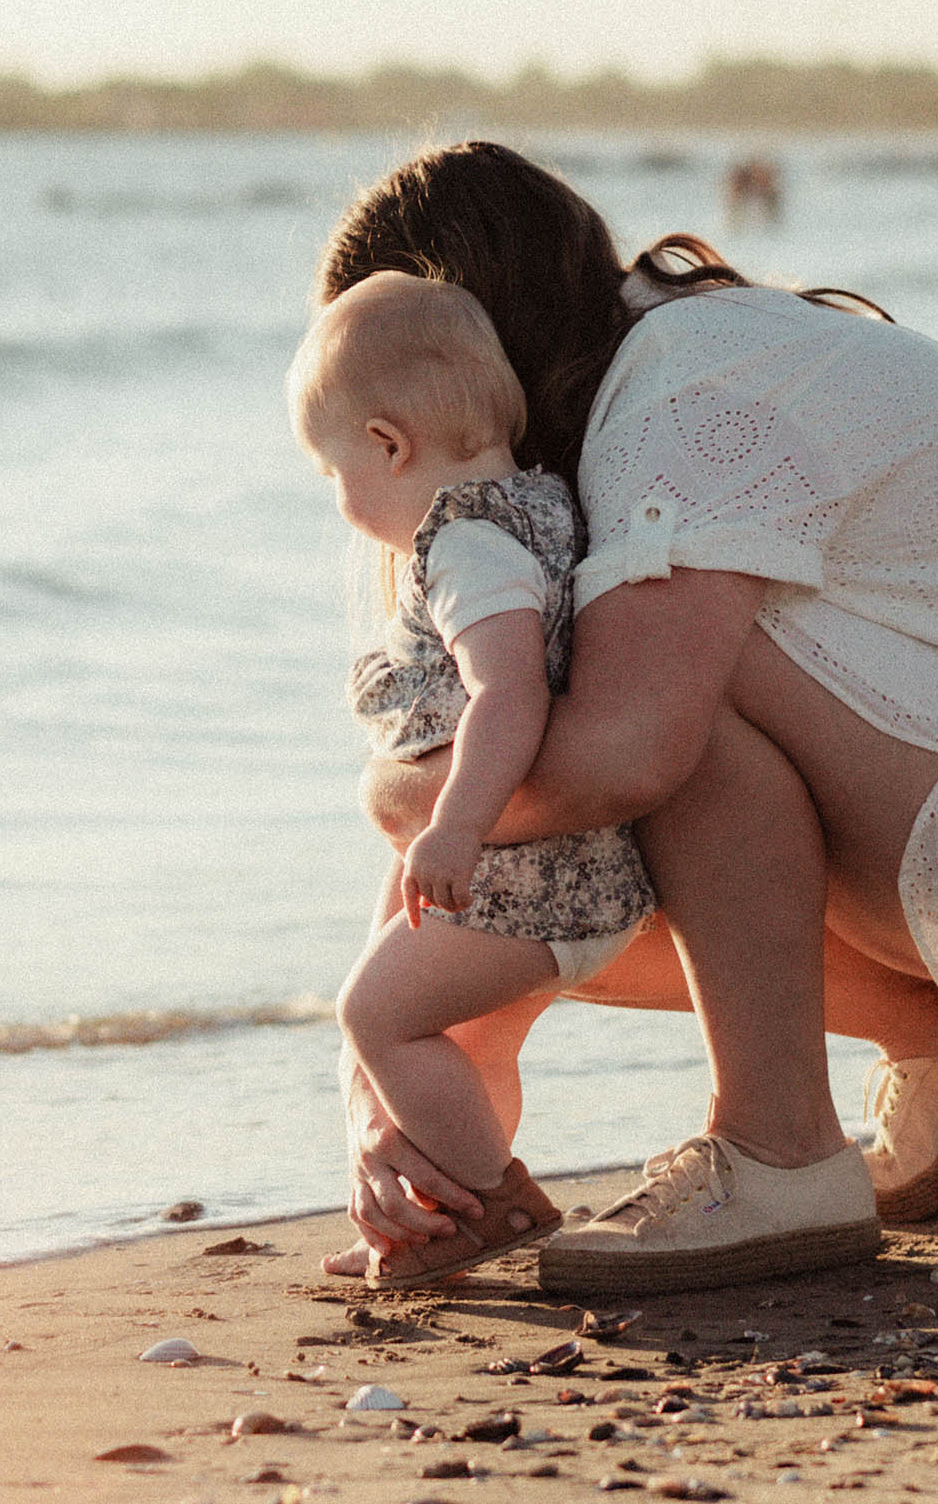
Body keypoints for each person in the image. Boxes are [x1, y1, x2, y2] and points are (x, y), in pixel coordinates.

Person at [315, 141, 938, 1297]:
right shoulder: (655, 372)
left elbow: (622, 758)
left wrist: (391, 796)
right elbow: (496, 853)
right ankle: (931, 1028)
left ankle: (777, 1154)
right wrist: (385, 1093)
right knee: (547, 868)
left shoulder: (679, 391)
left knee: (644, 717)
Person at [289, 272, 657, 1288]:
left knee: (374, 1014)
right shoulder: (538, 502)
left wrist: (451, 826)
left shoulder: (467, 548)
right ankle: (435, 1213)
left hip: (532, 876)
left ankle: (492, 1198)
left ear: (388, 445)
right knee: (457, 1040)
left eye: (334, 472)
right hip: (555, 873)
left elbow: (507, 698)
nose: (340, 500)